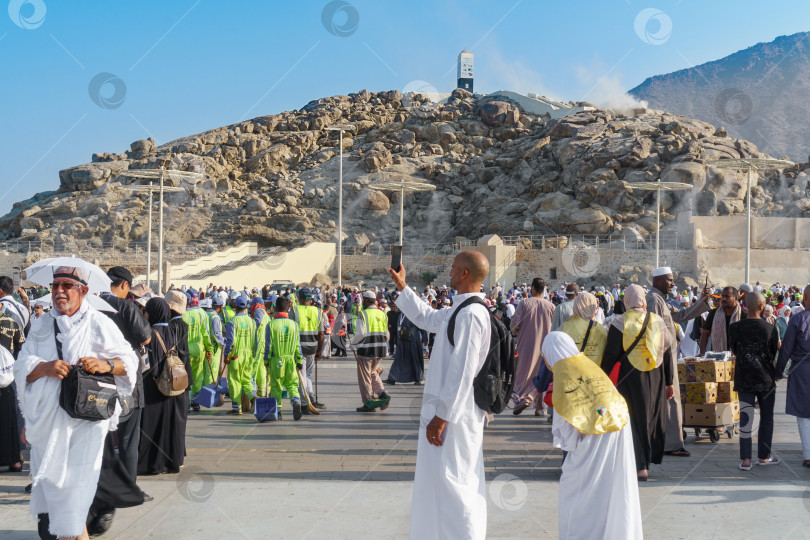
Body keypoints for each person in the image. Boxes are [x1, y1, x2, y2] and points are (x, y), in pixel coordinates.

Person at [14, 265, 138, 540]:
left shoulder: (99, 323)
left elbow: (130, 363)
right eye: (55, 285)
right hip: (47, 426)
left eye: (66, 286)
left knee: (72, 499)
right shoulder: (43, 324)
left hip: (85, 425)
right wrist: (44, 367)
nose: (59, 291)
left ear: (83, 291)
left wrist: (105, 365)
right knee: (58, 498)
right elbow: (21, 367)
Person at [389, 251, 491, 540]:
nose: (449, 274)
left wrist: (443, 416)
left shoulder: (472, 314)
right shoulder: (460, 310)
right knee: (444, 481)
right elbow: (427, 318)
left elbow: (463, 371)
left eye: (453, 269)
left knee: (457, 483)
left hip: (456, 417)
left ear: (464, 275)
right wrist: (402, 286)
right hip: (448, 414)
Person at [543, 332, 642, 540]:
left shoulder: (563, 379)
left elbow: (566, 439)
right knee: (612, 494)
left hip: (589, 447)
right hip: (618, 434)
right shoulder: (591, 369)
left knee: (577, 499)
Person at [90, 266, 153, 535]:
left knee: (99, 439)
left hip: (96, 383)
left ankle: (98, 488)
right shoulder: (126, 308)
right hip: (124, 379)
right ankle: (128, 488)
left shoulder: (91, 305)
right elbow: (146, 337)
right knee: (128, 438)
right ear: (125, 285)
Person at [601, 284, 673, 480]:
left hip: (630, 377)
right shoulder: (657, 320)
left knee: (633, 418)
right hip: (657, 375)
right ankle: (648, 460)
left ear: (627, 300)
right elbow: (666, 352)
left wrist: (602, 375)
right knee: (652, 416)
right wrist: (670, 382)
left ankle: (640, 465)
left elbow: (611, 353)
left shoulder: (620, 322)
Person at [646, 267, 710, 458]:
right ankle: (671, 444)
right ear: (658, 281)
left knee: (671, 398)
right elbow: (653, 331)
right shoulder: (652, 300)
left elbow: (682, 315)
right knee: (670, 397)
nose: (673, 284)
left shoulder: (661, 300)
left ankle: (670, 441)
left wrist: (702, 301)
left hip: (669, 356)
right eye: (670, 280)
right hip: (661, 357)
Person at [138, 296, 190, 476]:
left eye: (146, 311)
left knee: (151, 426)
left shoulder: (149, 334)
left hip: (153, 385)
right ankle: (171, 462)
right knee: (170, 426)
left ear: (152, 313)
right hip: (174, 385)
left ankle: (151, 465)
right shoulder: (177, 330)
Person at [728, 292, 780, 470]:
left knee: (745, 417)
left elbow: (734, 350)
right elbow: (773, 353)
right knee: (767, 418)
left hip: (744, 377)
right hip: (766, 378)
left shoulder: (734, 328)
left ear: (744, 305)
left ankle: (746, 460)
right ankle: (764, 457)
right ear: (761, 306)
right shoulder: (770, 329)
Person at [775, 285, 810, 467]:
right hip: (802, 368)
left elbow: (786, 349)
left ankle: (808, 455)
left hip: (802, 370)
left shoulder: (797, 320)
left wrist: (778, 371)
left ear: (805, 297)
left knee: (804, 414)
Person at [510, 278, 555, 415]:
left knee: (523, 372)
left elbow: (514, 324)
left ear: (533, 288)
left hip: (526, 344)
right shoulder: (551, 306)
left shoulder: (524, 303)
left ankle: (524, 398)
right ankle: (539, 407)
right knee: (541, 374)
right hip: (545, 346)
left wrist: (515, 332)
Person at [264, 296, 303, 420]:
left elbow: (268, 345)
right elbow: (298, 345)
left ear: (275, 308)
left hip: (277, 360)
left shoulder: (271, 325)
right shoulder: (294, 325)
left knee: (276, 386)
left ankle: (278, 411)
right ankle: (296, 401)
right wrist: (299, 360)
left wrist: (266, 360)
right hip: (291, 360)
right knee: (292, 385)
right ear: (289, 308)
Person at [352, 291, 391, 412]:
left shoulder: (363, 314)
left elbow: (360, 333)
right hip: (379, 349)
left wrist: (353, 344)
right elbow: (387, 334)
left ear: (367, 301)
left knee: (365, 376)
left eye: (364, 300)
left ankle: (368, 402)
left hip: (366, 350)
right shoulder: (382, 314)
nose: (363, 302)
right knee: (373, 372)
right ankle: (382, 393)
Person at [291, 288, 325, 410]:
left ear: (299, 298)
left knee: (301, 375)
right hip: (312, 347)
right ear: (310, 299)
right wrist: (319, 350)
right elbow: (321, 333)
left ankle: (305, 403)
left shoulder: (294, 311)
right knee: (308, 374)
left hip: (299, 348)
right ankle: (311, 398)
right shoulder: (318, 312)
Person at [0, 305, 24, 474]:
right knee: (9, 418)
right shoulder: (11, 322)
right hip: (7, 377)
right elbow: (21, 348)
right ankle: (14, 459)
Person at [223, 294, 256, 415]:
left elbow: (230, 341)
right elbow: (255, 341)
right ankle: (254, 398)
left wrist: (226, 355)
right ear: (246, 306)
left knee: (235, 381)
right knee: (247, 380)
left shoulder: (232, 321)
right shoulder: (252, 322)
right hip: (248, 355)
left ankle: (237, 408)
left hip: (236, 355)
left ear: (234, 306)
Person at [183, 290, 213, 412]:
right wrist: (209, 348)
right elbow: (205, 333)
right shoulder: (199, 314)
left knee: (185, 377)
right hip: (198, 350)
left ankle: (186, 403)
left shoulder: (181, 315)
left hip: (185, 350)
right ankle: (195, 402)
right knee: (197, 376)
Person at [561, 291, 608, 364]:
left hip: (571, 370)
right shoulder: (601, 329)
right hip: (594, 371)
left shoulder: (566, 325)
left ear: (576, 305)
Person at [385, 311, 427, 386]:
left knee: (415, 358)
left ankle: (419, 378)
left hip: (413, 339)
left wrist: (424, 338)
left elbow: (422, 325)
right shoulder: (401, 313)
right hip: (402, 339)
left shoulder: (415, 312)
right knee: (398, 358)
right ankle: (392, 378)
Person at [699, 286, 741, 354]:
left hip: (738, 357)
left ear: (735, 298)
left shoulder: (743, 314)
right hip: (718, 356)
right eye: (723, 296)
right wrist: (702, 353)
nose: (723, 299)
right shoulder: (713, 314)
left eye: (727, 296)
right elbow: (704, 333)